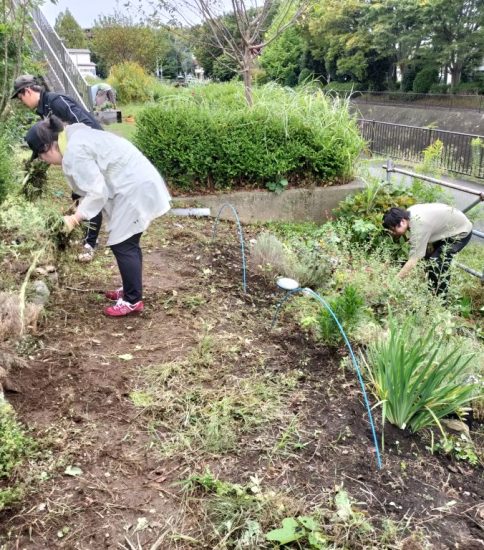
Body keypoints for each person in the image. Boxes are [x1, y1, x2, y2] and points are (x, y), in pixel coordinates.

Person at [25, 115, 172, 317]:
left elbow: (97, 192)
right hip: (133, 182)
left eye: (40, 156)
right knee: (129, 241)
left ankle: (132, 300)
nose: (44, 161)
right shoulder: (72, 140)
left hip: (134, 186)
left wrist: (75, 218)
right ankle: (131, 289)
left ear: (47, 147)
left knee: (123, 243)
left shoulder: (75, 152)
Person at [11, 74, 103, 262]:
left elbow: (86, 122)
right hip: (74, 157)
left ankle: (89, 244)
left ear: (27, 91)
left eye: (20, 98)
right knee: (78, 195)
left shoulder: (56, 102)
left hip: (90, 151)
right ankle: (88, 237)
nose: (21, 102)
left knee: (89, 193)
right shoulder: (44, 110)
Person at [382, 204, 473, 297]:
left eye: (393, 230)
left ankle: (439, 299)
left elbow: (413, 260)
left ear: (402, 221)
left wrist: (393, 282)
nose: (393, 233)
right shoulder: (409, 214)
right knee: (429, 257)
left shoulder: (419, 224)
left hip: (460, 231)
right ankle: (431, 288)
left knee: (437, 262)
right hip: (445, 230)